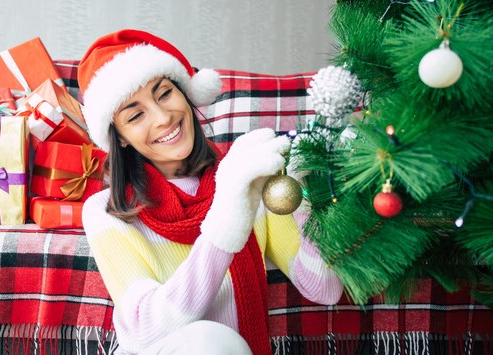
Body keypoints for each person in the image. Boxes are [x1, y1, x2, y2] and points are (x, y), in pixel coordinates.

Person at [79, 29, 343, 355]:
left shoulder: (245, 176)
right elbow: (146, 328)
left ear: (185, 94)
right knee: (211, 342)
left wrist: (305, 190)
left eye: (164, 94)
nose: (163, 118)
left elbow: (324, 288)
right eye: (135, 115)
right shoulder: (105, 211)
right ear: (119, 137)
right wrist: (226, 219)